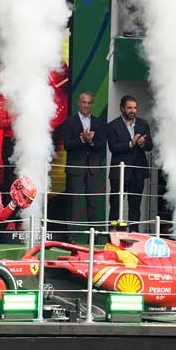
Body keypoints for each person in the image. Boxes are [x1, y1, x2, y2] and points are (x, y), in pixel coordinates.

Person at [61, 92, 106, 242]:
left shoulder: (98, 122)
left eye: (89, 103)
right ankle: (70, 237)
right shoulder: (70, 122)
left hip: (92, 168)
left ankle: (93, 238)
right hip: (75, 168)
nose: (86, 105)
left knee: (92, 203)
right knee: (72, 203)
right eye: (84, 102)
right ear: (78, 103)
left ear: (92, 104)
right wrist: (82, 138)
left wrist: (91, 142)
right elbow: (68, 145)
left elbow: (101, 145)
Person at [107, 95, 153, 232]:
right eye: (129, 108)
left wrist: (143, 143)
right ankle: (113, 234)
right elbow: (113, 147)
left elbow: (150, 145)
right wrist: (130, 143)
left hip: (138, 171)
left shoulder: (143, 124)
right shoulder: (112, 125)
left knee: (135, 205)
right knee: (116, 204)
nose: (133, 111)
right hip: (119, 173)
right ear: (122, 109)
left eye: (135, 108)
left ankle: (134, 234)